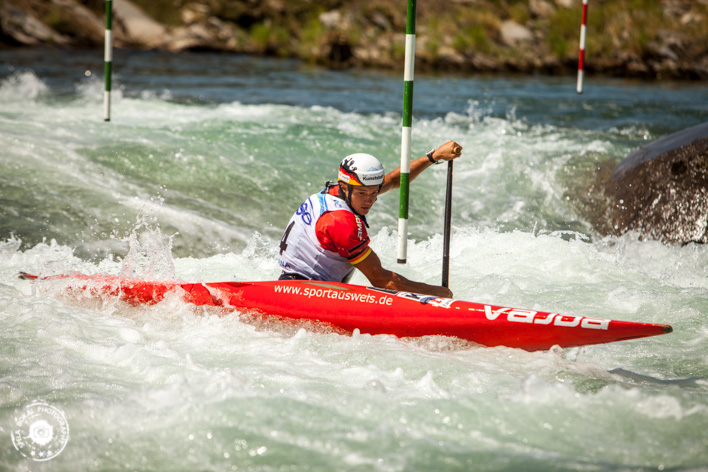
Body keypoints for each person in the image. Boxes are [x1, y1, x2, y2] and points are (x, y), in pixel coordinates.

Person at [277, 140, 462, 298]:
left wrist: (433, 157)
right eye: (362, 193)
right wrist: (437, 293)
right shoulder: (340, 221)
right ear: (344, 186)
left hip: (297, 284)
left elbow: (394, 180)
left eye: (374, 192)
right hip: (306, 293)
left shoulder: (337, 192)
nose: (369, 200)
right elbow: (381, 279)